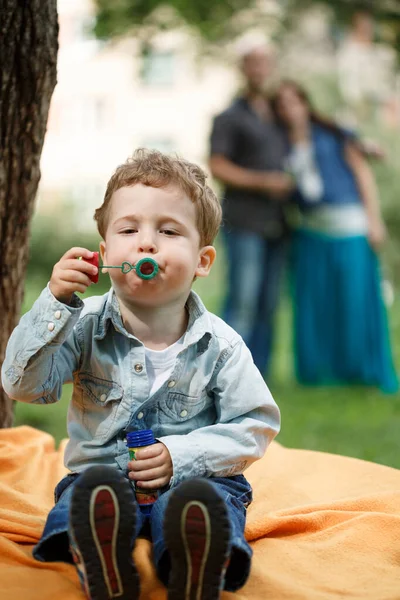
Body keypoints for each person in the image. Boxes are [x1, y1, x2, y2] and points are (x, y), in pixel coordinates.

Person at [1, 148, 280, 600]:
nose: (146, 243)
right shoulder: (82, 324)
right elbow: (23, 386)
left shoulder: (222, 344)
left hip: (194, 481)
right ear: (105, 253)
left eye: (168, 231)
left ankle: (194, 559)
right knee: (85, 497)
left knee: (210, 503)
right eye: (129, 230)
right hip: (102, 482)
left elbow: (256, 424)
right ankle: (101, 559)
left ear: (203, 261)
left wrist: (181, 454)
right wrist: (53, 305)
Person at [270, 80, 398, 393]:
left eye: (295, 102)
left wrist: (374, 221)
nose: (290, 110)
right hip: (311, 233)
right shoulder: (279, 143)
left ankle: (361, 371)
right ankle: (320, 372)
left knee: (354, 302)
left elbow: (362, 174)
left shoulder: (332, 134)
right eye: (282, 105)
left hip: (351, 229)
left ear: (305, 103)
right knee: (317, 306)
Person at [209, 44, 294, 378]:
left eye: (265, 64)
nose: (260, 70)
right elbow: (218, 166)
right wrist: (265, 182)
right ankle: (227, 374)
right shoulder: (229, 117)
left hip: (279, 223)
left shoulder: (278, 117)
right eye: (253, 64)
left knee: (269, 305)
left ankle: (259, 377)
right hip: (244, 222)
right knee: (242, 301)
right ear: (243, 69)